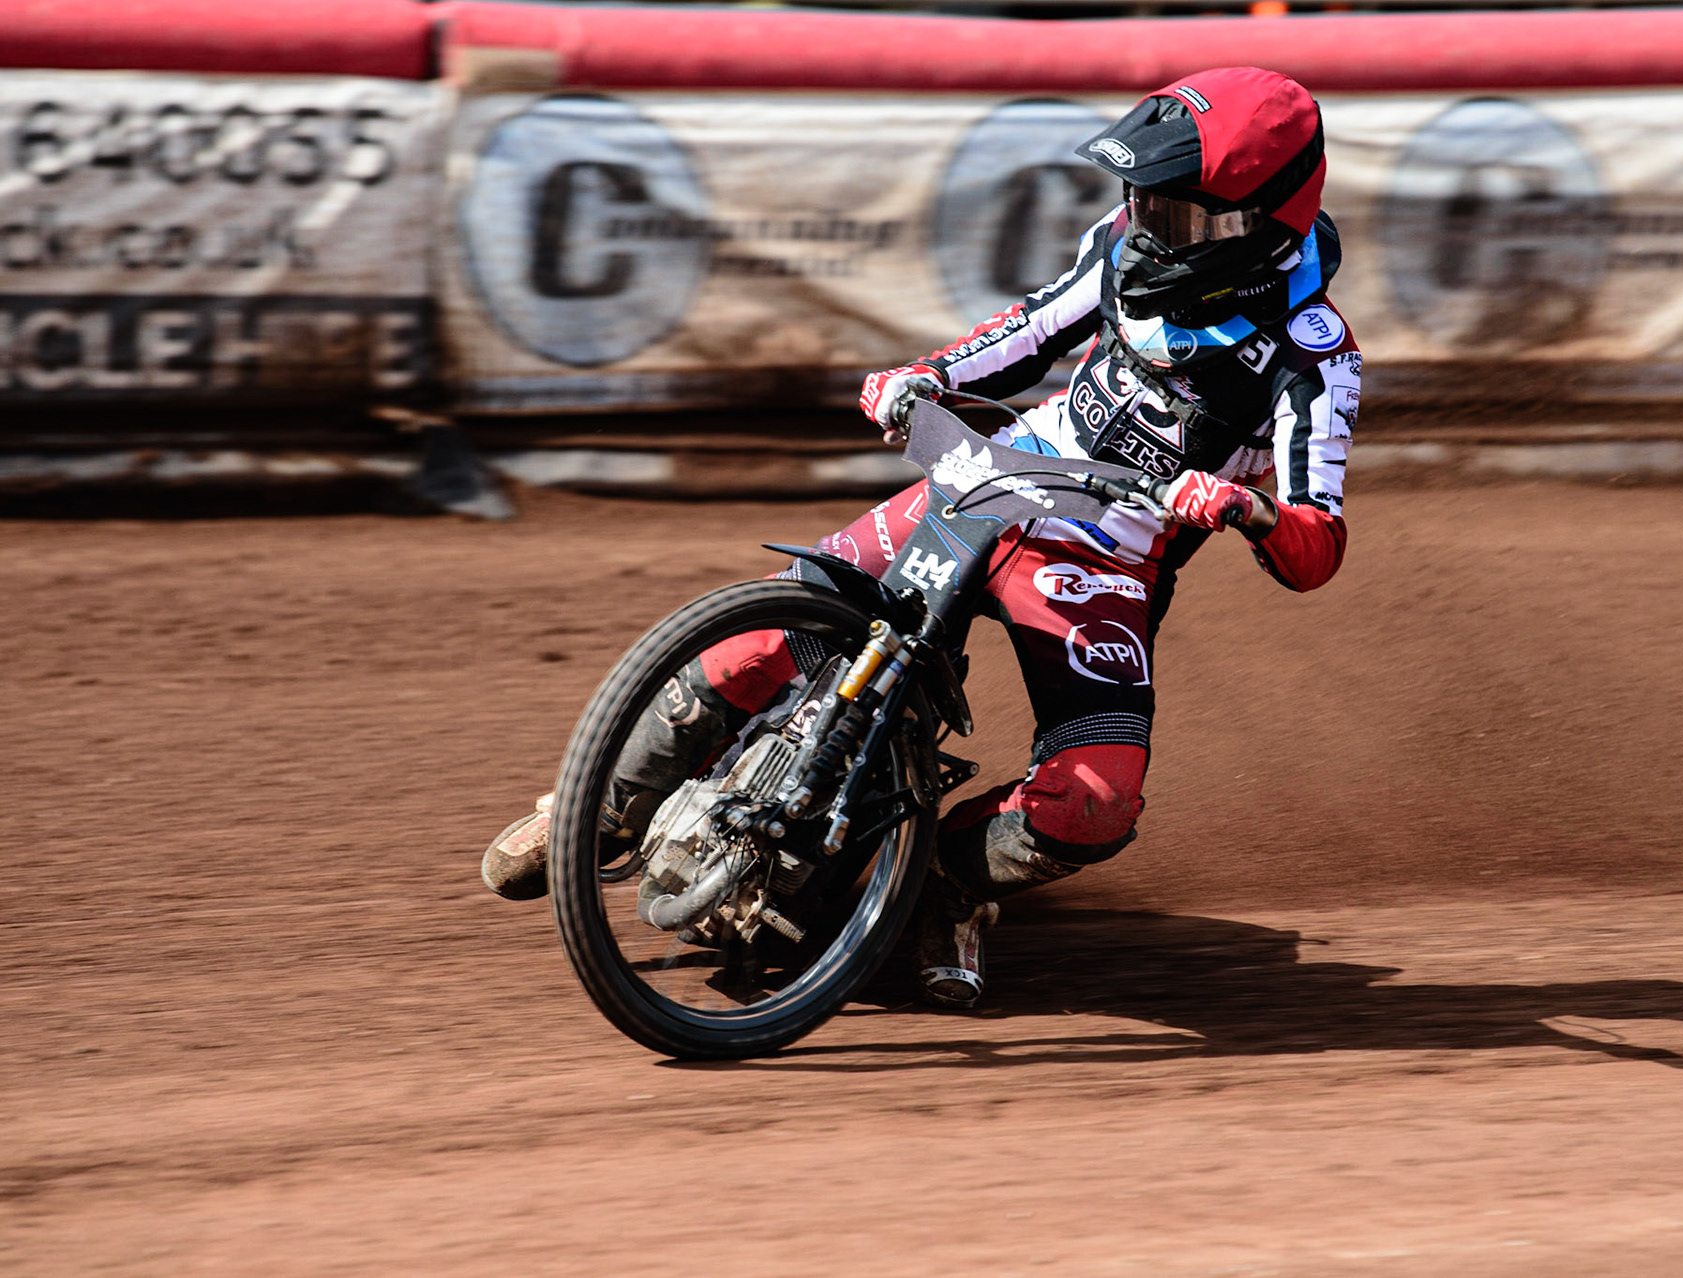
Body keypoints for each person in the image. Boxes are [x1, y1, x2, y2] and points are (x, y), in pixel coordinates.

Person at [481, 66, 1358, 1012]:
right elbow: (1029, 331)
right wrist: (927, 376)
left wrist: (1245, 510)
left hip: (1104, 557)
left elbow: (1317, 546)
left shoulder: (1315, 356)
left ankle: (945, 881)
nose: (1149, 226)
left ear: (1259, 223)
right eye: (1143, 199)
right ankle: (599, 809)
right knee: (758, 645)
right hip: (993, 477)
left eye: (1178, 214)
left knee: (1093, 803)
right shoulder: (1122, 244)